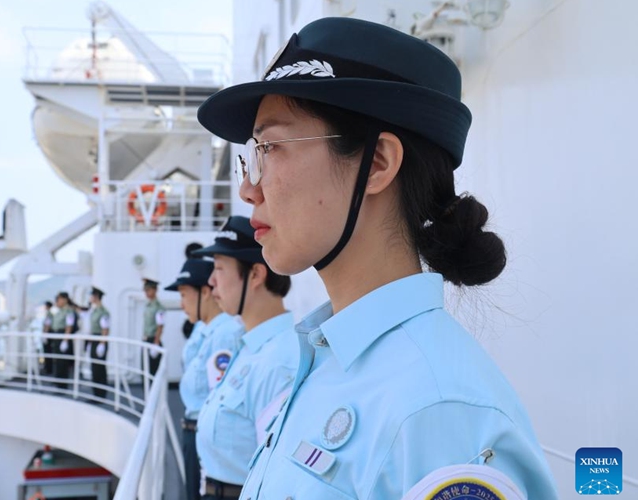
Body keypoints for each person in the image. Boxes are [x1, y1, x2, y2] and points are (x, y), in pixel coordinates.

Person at [196, 17, 558, 500]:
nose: (248, 187)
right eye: (252, 155)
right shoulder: (326, 361)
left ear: (379, 164)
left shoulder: (439, 412)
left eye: (270, 147)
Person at [191, 216, 297, 500]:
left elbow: (277, 476)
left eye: (219, 268)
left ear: (255, 275)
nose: (211, 281)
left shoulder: (281, 361)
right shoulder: (249, 346)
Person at [165, 258, 243, 500]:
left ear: (205, 292)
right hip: (194, 428)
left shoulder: (225, 335)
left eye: (184, 294)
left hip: (204, 433)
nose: (181, 303)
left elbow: (219, 395)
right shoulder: (205, 328)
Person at [51, 291, 78, 390]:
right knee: (57, 360)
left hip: (63, 337)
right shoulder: (60, 311)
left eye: (59, 299)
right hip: (58, 337)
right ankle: (58, 381)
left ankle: (62, 385)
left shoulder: (69, 311)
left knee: (63, 362)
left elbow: (69, 326)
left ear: (65, 299)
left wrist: (65, 340)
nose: (57, 301)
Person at [88, 287, 110, 400]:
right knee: (94, 367)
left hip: (100, 340)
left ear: (96, 297)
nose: (90, 298)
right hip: (94, 340)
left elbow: (105, 329)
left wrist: (102, 343)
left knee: (99, 368)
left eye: (91, 295)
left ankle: (101, 394)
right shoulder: (95, 310)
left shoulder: (103, 312)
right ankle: (96, 393)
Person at [142, 277, 166, 377]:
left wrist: (156, 343)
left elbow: (160, 326)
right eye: (145, 290)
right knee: (144, 370)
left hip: (153, 341)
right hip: (146, 340)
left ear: (155, 290)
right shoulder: (148, 305)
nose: (146, 293)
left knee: (152, 371)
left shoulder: (158, 307)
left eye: (149, 290)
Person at [41, 301, 54, 375]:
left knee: (47, 351)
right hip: (48, 335)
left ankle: (48, 368)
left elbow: (47, 325)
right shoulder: (49, 314)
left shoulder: (49, 315)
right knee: (47, 352)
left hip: (48, 335)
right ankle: (47, 367)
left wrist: (45, 335)